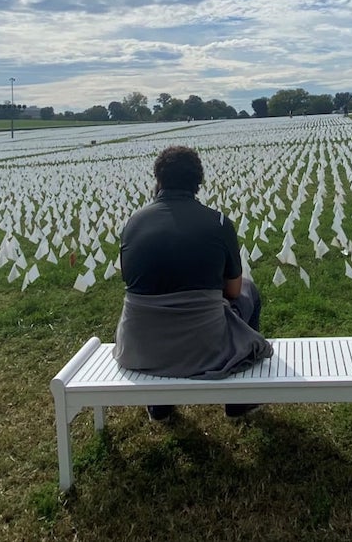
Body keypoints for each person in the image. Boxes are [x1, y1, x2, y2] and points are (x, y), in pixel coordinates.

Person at [114, 145, 272, 421]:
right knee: (249, 290)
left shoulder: (133, 222)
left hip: (139, 348)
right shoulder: (219, 222)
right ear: (199, 181)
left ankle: (159, 406)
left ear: (158, 180)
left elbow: (131, 280)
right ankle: (239, 401)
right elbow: (233, 291)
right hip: (204, 349)